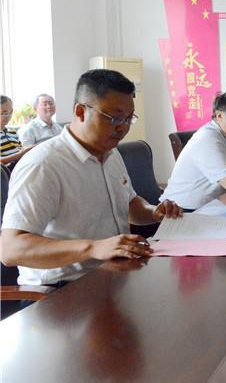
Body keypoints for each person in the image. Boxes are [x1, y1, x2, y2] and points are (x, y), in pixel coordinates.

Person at [1, 70, 182, 286]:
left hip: (114, 274)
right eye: (115, 118)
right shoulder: (43, 164)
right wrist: (93, 248)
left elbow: (130, 205)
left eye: (128, 119)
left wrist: (154, 212)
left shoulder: (111, 154)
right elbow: (10, 249)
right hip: (61, 289)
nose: (123, 127)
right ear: (80, 112)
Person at [0, 95, 33, 168]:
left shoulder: (13, 133)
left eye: (10, 112)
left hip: (21, 166)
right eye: (4, 112)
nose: (8, 116)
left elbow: (21, 151)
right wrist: (20, 154)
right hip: (8, 171)